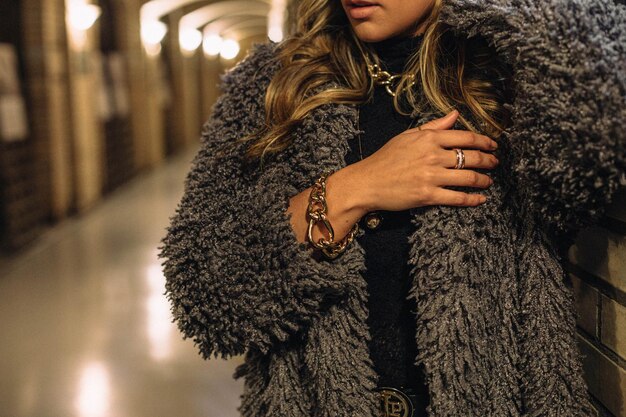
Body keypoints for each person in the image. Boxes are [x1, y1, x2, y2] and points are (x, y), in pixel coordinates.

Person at [158, 0, 626, 416]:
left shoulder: (509, 72)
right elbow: (202, 288)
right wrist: (355, 187)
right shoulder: (273, 84)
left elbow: (597, 118)